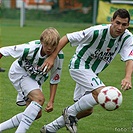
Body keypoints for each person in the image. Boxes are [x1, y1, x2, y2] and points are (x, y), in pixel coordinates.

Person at [40, 9, 133, 133]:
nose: (120, 27)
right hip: (79, 65)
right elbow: (67, 37)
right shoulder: (96, 32)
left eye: (124, 24)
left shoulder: (127, 37)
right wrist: (52, 58)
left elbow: (129, 58)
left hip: (92, 73)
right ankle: (69, 112)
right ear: (111, 21)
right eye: (117, 23)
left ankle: (50, 128)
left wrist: (127, 77)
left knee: (87, 110)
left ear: (128, 25)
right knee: (102, 94)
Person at [0, 27, 64, 133]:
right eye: (46, 44)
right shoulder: (30, 48)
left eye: (52, 46)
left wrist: (51, 101)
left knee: (36, 113)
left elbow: (55, 79)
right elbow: (3, 51)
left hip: (35, 79)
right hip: (19, 73)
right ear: (41, 41)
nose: (49, 48)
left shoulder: (58, 57)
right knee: (39, 99)